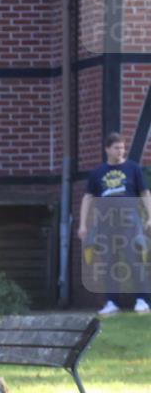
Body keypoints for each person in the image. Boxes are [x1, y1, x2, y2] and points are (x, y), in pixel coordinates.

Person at [78, 132, 151, 315]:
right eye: (116, 148)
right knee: (110, 263)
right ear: (107, 149)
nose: (120, 151)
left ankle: (142, 300)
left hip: (130, 223)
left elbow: (144, 193)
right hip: (106, 224)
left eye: (122, 147)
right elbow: (88, 198)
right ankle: (112, 302)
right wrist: (83, 225)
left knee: (135, 260)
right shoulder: (98, 173)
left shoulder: (133, 169)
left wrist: (150, 216)